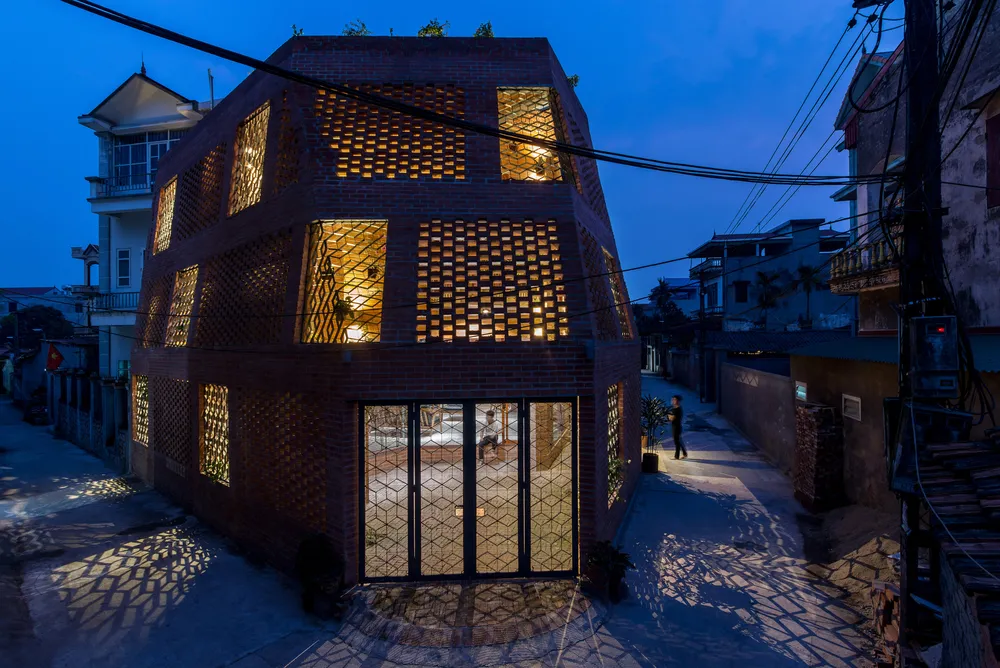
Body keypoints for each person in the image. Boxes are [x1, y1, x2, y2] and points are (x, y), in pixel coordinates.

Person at [669, 395, 687, 459]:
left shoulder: (676, 410)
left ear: (678, 401)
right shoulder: (677, 408)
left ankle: (677, 456)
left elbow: (671, 419)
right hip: (677, 426)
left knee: (676, 441)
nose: (673, 401)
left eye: (674, 399)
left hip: (676, 427)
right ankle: (684, 453)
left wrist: (669, 416)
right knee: (678, 440)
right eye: (672, 399)